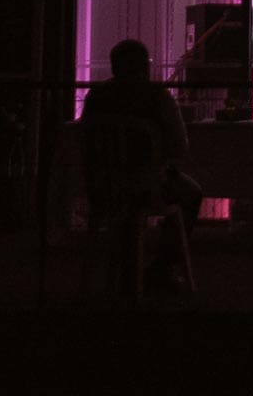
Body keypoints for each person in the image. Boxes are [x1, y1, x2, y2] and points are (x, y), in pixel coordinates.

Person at [80, 37, 203, 292]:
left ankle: (122, 270)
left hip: (103, 187)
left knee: (126, 202)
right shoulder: (157, 97)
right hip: (146, 188)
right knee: (192, 193)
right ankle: (162, 268)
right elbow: (179, 147)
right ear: (144, 67)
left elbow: (84, 141)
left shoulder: (95, 96)